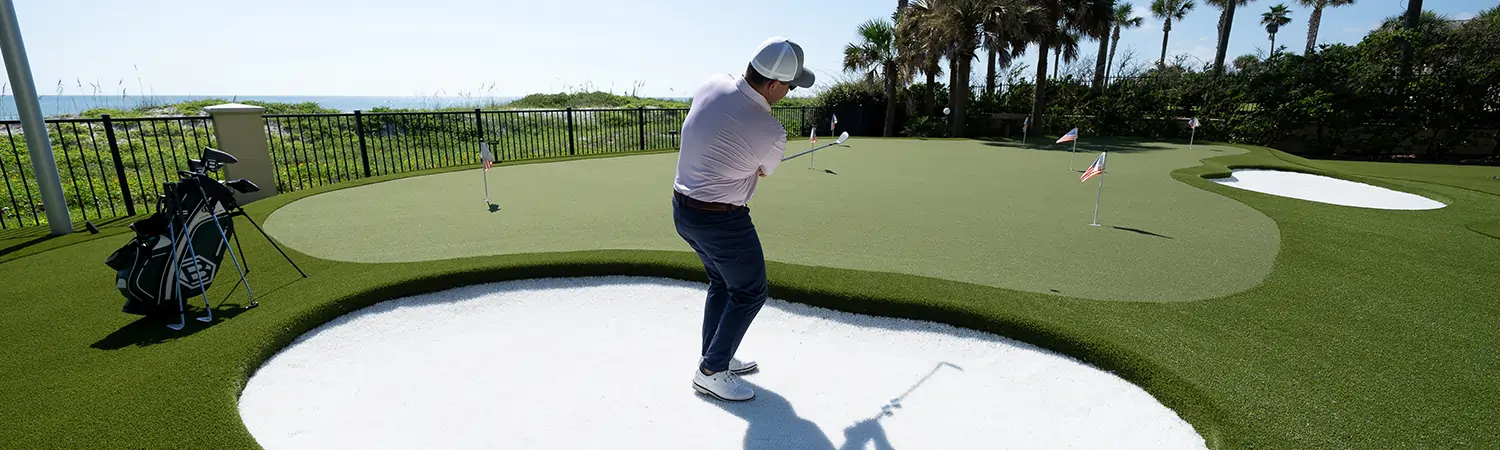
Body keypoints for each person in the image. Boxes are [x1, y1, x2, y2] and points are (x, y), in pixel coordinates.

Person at [671, 36, 814, 402]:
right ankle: (711, 372)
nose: (790, 92)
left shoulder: (712, 83)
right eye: (790, 86)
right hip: (722, 221)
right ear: (772, 85)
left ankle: (715, 355)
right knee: (750, 291)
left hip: (683, 210)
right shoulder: (771, 131)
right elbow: (764, 169)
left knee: (721, 282)